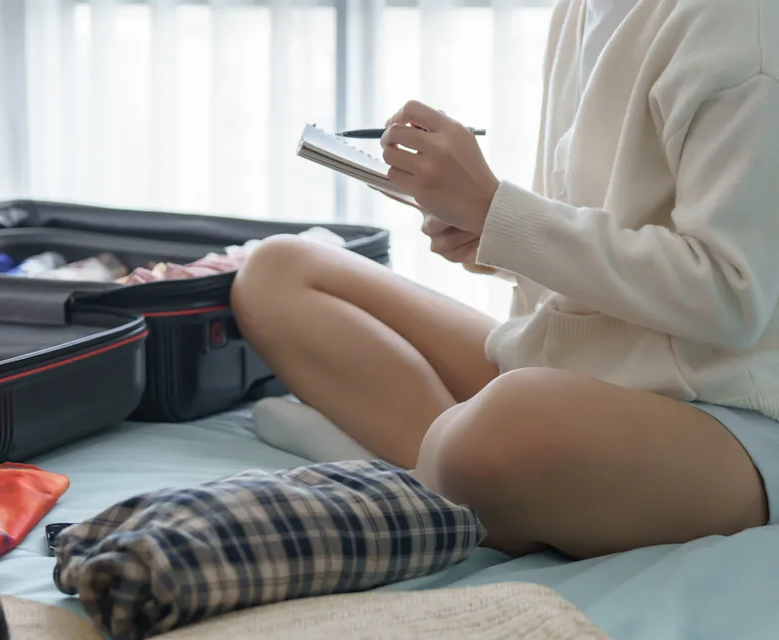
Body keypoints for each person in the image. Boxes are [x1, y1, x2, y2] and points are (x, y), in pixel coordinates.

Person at [230, 0, 779, 560]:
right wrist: (489, 236)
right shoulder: (580, 11)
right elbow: (604, 226)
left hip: (722, 412)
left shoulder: (734, 19)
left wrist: (500, 214)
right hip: (582, 365)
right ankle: (425, 463)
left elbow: (734, 297)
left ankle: (405, 468)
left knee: (502, 430)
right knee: (277, 271)